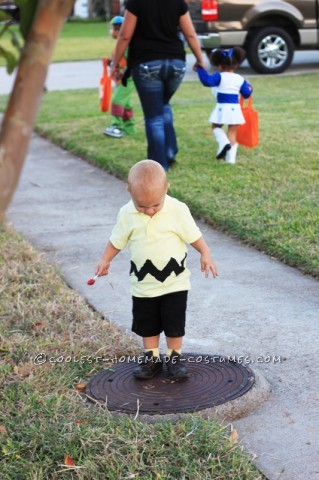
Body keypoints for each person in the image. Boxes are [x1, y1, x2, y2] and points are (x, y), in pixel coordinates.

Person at [95, 160, 218, 380]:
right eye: (142, 206)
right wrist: (106, 259)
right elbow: (117, 240)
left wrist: (205, 253)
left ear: (166, 189)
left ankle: (174, 357)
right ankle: (151, 357)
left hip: (175, 283)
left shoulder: (177, 209)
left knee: (174, 323)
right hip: (143, 286)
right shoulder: (126, 213)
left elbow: (194, 235)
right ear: (129, 192)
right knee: (147, 324)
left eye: (155, 205)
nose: (149, 211)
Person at [110, 0, 206, 170]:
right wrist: (199, 59)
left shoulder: (135, 2)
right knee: (163, 104)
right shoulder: (178, 2)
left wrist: (115, 63)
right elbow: (190, 34)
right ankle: (169, 151)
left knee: (154, 117)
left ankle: (158, 166)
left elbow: (125, 35)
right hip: (176, 64)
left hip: (147, 63)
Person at [196, 47, 253, 164]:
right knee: (232, 133)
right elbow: (246, 94)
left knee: (216, 126)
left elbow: (206, 81)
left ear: (220, 65)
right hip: (235, 109)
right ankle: (230, 160)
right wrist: (250, 88)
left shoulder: (219, 76)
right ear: (236, 65)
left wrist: (200, 69)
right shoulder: (240, 79)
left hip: (222, 108)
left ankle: (223, 142)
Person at [103, 16, 136, 138]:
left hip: (127, 79)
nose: (111, 31)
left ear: (119, 30)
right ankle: (130, 128)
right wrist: (109, 62)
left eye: (112, 29)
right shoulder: (119, 44)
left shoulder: (127, 45)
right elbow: (118, 60)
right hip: (120, 79)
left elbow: (129, 62)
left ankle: (117, 126)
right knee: (126, 104)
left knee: (117, 101)